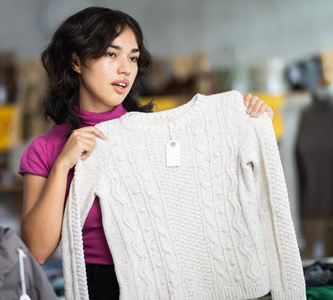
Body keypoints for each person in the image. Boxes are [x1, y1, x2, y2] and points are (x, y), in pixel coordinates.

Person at [19, 6, 274, 299]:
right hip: (96, 286)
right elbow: (36, 251)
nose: (125, 68)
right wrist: (63, 165)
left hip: (164, 280)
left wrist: (251, 123)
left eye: (133, 57)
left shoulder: (156, 135)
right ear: (76, 60)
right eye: (111, 54)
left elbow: (209, 195)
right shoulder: (46, 149)